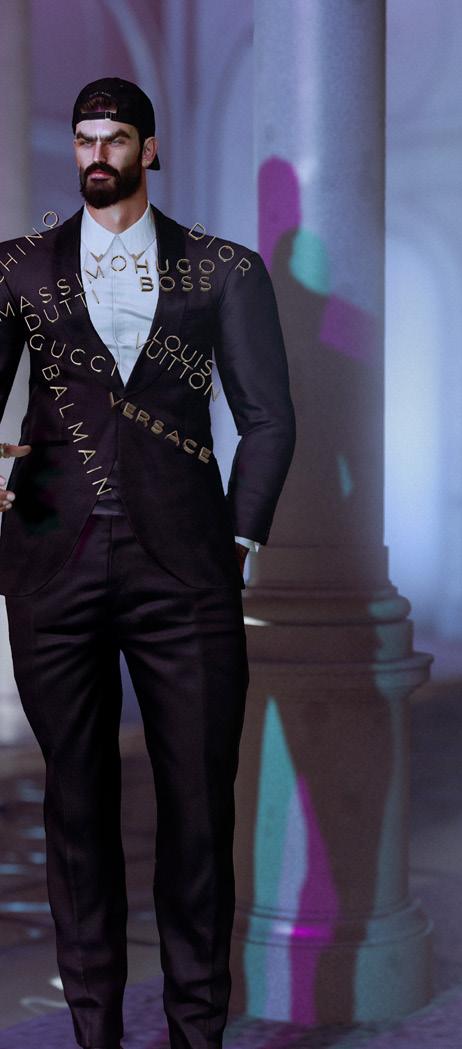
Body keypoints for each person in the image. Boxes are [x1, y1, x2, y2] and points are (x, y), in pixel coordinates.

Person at [0, 77, 296, 1049]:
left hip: (187, 574)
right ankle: (95, 1035)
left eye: (116, 138)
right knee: (76, 812)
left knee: (198, 813)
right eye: (85, 138)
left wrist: (236, 541)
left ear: (149, 149)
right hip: (52, 567)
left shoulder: (224, 270)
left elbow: (268, 419)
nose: (98, 154)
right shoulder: (20, 268)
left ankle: (195, 1034)